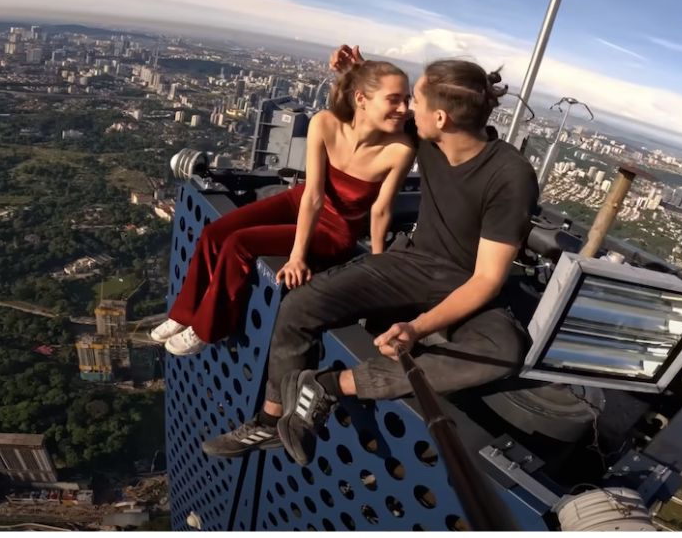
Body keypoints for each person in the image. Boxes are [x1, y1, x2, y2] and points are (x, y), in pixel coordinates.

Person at [202, 46, 539, 462]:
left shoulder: (510, 176)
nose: (407, 110)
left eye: (416, 101)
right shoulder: (427, 136)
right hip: (414, 264)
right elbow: (365, 117)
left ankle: (330, 386)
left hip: (467, 286)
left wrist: (417, 328)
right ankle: (274, 420)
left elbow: (487, 279)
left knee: (500, 351)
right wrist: (353, 75)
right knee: (302, 305)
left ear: (440, 119)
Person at [150, 60, 415, 356]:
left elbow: (381, 210)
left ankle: (208, 328)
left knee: (239, 243)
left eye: (407, 99)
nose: (404, 109)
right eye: (395, 99)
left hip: (337, 229)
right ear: (361, 99)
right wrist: (297, 255)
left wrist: (376, 266)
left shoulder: (400, 149)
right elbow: (313, 194)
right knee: (216, 232)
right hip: (302, 201)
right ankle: (183, 313)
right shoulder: (325, 122)